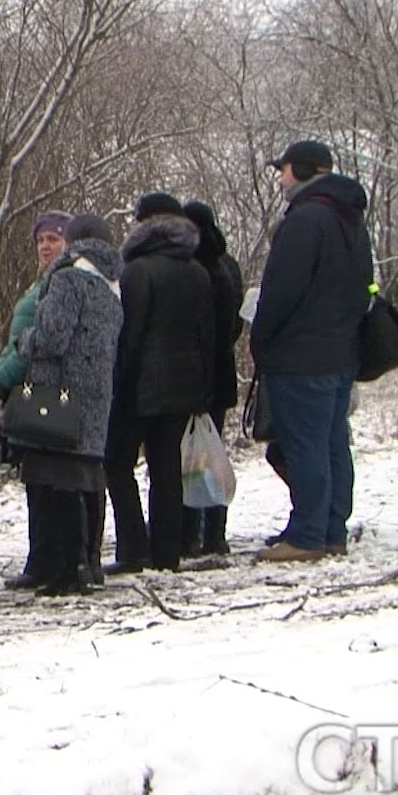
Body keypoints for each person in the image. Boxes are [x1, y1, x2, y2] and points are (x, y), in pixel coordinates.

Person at [252, 140, 374, 562]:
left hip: (301, 356)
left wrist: (261, 340)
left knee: (305, 446)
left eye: (283, 170)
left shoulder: (304, 220)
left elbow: (281, 291)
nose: (281, 179)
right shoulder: (351, 219)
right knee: (333, 444)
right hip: (341, 352)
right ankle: (330, 530)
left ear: (301, 170)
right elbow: (366, 286)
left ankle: (306, 537)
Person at [105, 193, 214, 575]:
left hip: (141, 385)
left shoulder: (137, 271)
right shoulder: (197, 271)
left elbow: (130, 334)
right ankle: (167, 553)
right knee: (167, 468)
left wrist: (119, 380)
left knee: (117, 464)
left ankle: (134, 548)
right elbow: (208, 335)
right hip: (185, 386)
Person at [16, 215, 125, 595]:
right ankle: (88, 564)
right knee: (89, 476)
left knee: (60, 478)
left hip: (61, 392)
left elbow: (51, 337)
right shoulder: (111, 282)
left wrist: (24, 341)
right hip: (97, 394)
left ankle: (66, 571)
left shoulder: (66, 278)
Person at [0, 210, 73, 590]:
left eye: (54, 239)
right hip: (31, 386)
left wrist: (4, 371)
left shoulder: (59, 284)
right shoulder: (41, 283)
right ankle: (40, 559)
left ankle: (50, 563)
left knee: (50, 480)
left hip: (41, 388)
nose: (45, 246)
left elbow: (37, 338)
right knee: (37, 479)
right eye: (41, 240)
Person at [182, 200, 245, 557]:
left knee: (190, 457)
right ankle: (215, 532)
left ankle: (190, 532)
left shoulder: (194, 268)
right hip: (221, 376)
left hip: (195, 378)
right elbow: (233, 324)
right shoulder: (228, 265)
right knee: (212, 451)